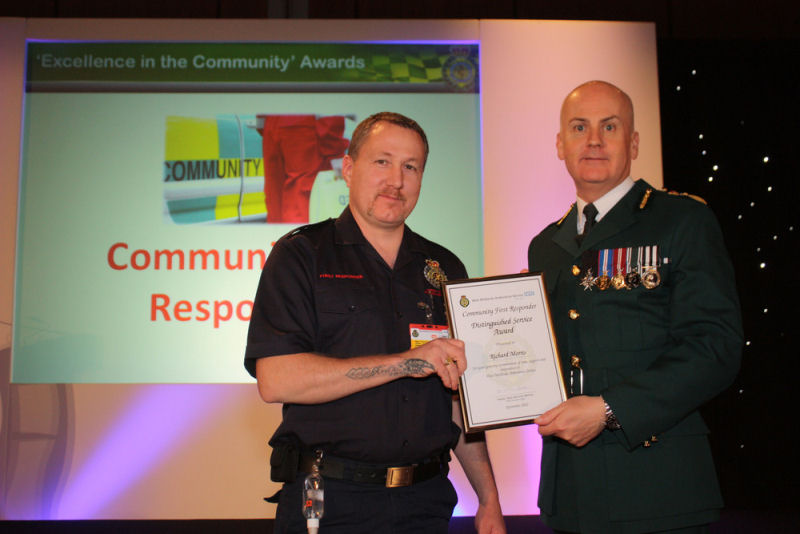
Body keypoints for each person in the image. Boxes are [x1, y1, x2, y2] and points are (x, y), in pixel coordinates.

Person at [246, 112, 506, 534]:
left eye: (411, 166)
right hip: (328, 500)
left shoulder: (443, 267)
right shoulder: (301, 255)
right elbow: (276, 379)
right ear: (349, 169)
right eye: (381, 161)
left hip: (425, 502)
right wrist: (407, 363)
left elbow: (460, 400)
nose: (396, 180)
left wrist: (489, 499)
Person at [527, 81, 742, 533]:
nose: (594, 140)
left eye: (610, 126)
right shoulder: (545, 246)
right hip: (571, 493)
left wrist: (610, 409)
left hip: (658, 484)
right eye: (579, 127)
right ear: (560, 144)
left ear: (634, 142)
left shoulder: (682, 221)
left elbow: (715, 348)